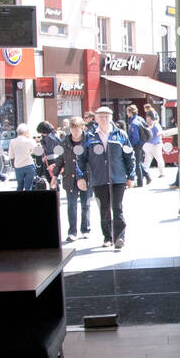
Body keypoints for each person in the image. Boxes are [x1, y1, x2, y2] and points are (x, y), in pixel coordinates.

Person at [78, 105, 134, 249]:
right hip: (99, 179)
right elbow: (81, 158)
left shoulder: (121, 135)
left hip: (118, 178)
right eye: (101, 116)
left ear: (111, 117)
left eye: (107, 116)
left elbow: (129, 156)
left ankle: (119, 237)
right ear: (95, 118)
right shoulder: (89, 137)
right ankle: (107, 237)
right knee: (104, 208)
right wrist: (81, 177)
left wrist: (131, 176)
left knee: (117, 208)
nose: (104, 118)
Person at [57, 116, 92, 241]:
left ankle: (85, 229)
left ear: (82, 127)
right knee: (71, 205)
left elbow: (93, 160)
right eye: (72, 128)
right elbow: (60, 159)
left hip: (86, 177)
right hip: (69, 177)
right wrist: (54, 175)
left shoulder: (89, 140)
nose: (75, 131)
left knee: (85, 204)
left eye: (77, 128)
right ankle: (72, 231)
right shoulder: (65, 141)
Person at [8, 122, 40, 191]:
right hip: (28, 164)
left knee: (19, 186)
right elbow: (37, 151)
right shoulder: (29, 141)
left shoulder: (12, 141)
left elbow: (11, 155)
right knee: (28, 186)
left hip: (18, 165)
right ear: (25, 132)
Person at [125, 103, 151, 186]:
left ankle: (140, 182)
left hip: (137, 145)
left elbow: (135, 137)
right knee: (139, 161)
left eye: (127, 112)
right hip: (142, 143)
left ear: (131, 112)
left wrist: (130, 146)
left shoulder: (133, 123)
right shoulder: (140, 119)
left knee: (136, 163)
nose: (127, 114)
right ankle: (147, 176)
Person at [36, 121, 62, 190]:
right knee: (54, 178)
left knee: (50, 179)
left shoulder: (48, 138)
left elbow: (48, 149)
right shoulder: (55, 134)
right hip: (56, 158)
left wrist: (41, 142)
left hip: (50, 159)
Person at [141, 108, 165, 177]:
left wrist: (150, 142)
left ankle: (162, 173)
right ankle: (144, 173)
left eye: (147, 117)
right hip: (149, 145)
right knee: (147, 160)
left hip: (156, 145)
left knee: (159, 159)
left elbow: (158, 135)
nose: (146, 119)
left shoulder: (156, 125)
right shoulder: (148, 125)